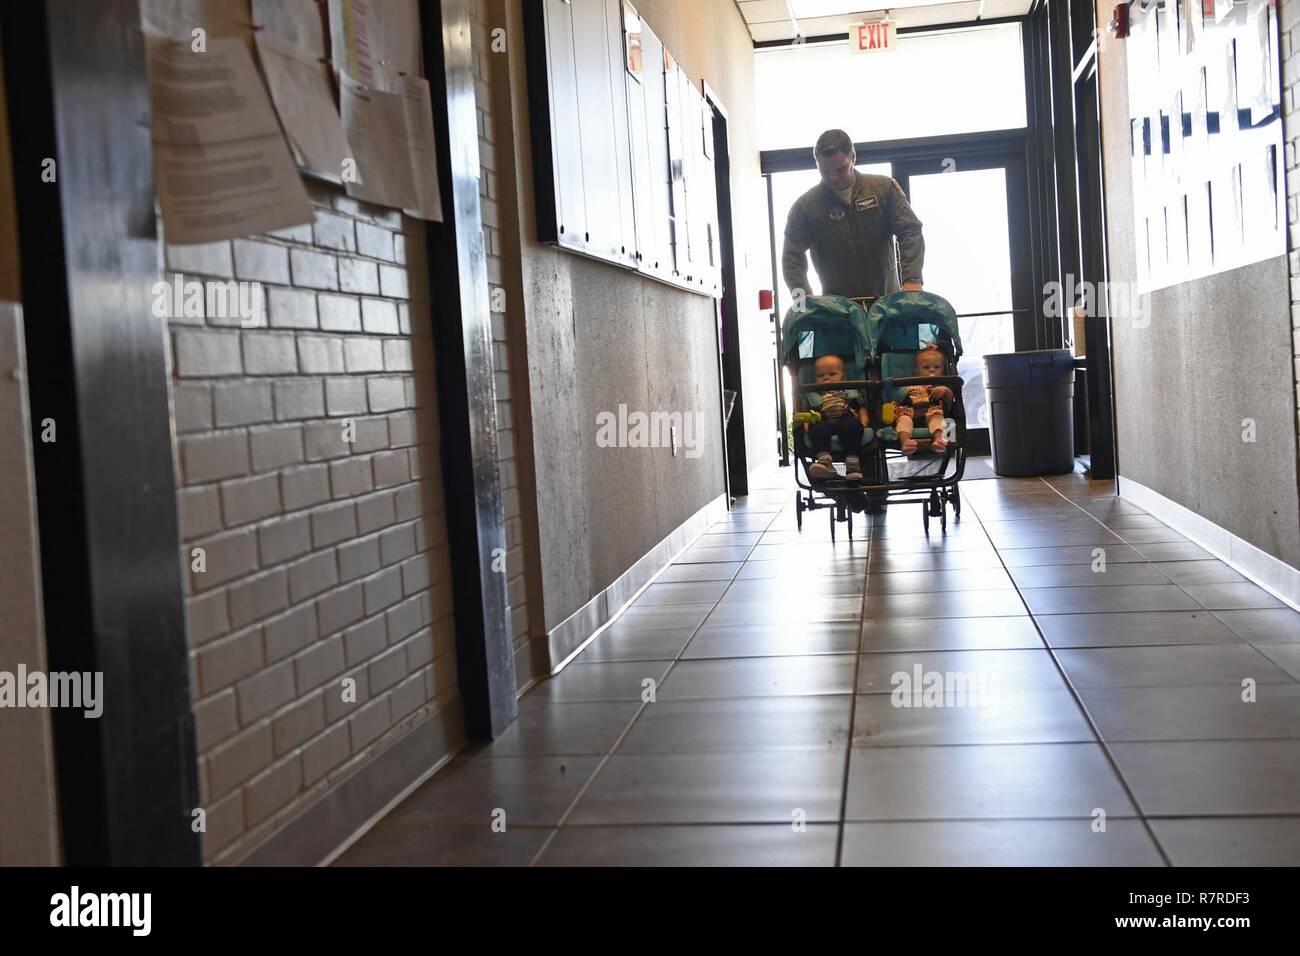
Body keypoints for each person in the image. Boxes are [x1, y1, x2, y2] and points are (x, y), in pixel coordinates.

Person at [782, 129, 926, 302]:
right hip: (839, 312)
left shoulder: (884, 189)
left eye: (841, 169)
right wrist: (802, 296)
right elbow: (792, 256)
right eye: (825, 172)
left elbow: (910, 231)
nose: (833, 178)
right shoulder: (805, 207)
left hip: (887, 306)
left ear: (853, 157)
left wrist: (912, 279)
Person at [805, 354, 868, 481]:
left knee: (852, 426)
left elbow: (860, 407)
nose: (826, 378)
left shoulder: (848, 392)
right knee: (817, 428)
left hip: (845, 417)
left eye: (832, 374)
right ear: (814, 379)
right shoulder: (814, 394)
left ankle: (852, 463)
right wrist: (807, 423)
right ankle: (825, 462)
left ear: (844, 377)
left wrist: (864, 419)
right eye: (820, 376)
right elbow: (808, 412)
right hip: (823, 420)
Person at [894, 346, 953, 455]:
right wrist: (903, 392)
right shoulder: (911, 385)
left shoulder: (942, 386)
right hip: (910, 413)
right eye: (926, 367)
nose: (932, 370)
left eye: (937, 367)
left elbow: (949, 405)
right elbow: (896, 400)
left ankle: (939, 440)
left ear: (943, 370)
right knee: (903, 420)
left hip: (932, 413)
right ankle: (905, 442)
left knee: (937, 417)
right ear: (917, 372)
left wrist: (946, 391)